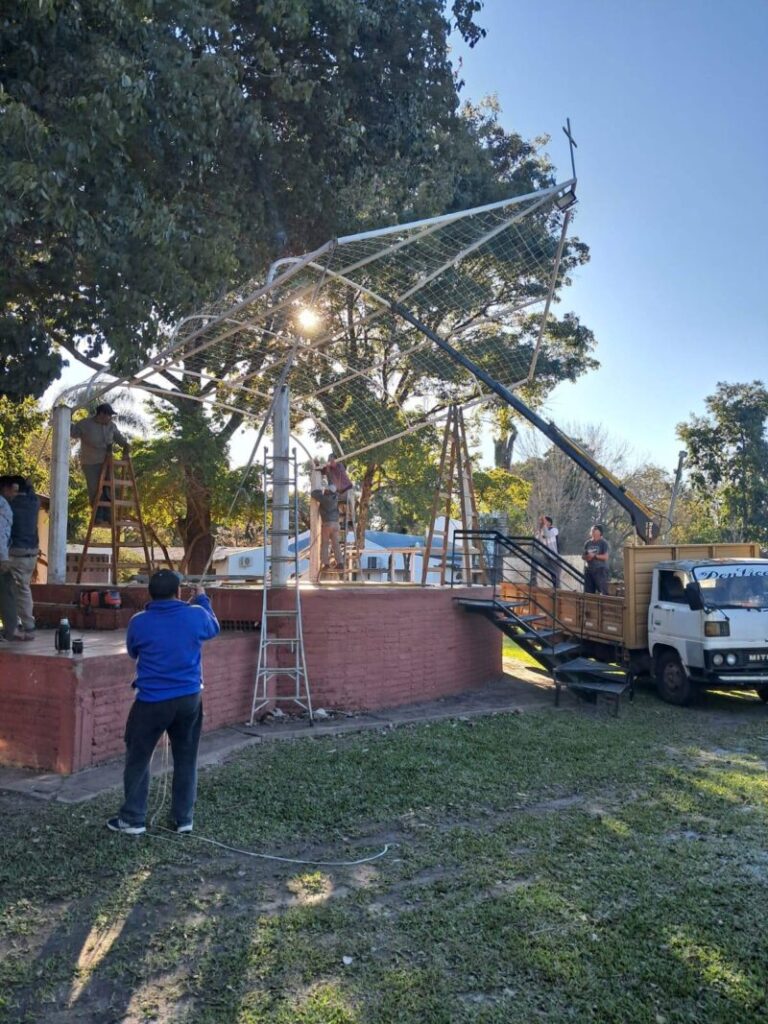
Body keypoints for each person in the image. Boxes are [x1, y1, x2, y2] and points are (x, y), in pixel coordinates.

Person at [107, 570, 220, 836]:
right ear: (178, 592)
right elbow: (213, 627)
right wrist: (202, 599)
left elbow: (134, 651)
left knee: (138, 757)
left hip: (151, 701)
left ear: (150, 593)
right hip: (189, 699)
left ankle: (133, 819)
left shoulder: (139, 622)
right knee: (186, 757)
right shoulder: (195, 615)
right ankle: (184, 819)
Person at [70, 403, 130, 523]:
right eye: (109, 415)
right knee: (95, 489)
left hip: (107, 462)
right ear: (101, 414)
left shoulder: (111, 426)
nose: (110, 418)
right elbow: (73, 432)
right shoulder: (85, 424)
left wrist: (126, 446)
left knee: (108, 488)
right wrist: (66, 418)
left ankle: (108, 515)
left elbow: (119, 438)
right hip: (90, 462)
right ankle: (98, 515)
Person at [8, 476, 40, 640]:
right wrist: (28, 484)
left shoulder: (10, 504)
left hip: (17, 553)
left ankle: (27, 625)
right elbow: (32, 493)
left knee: (19, 591)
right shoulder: (34, 503)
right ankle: (22, 623)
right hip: (32, 553)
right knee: (21, 589)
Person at [0, 476, 20, 641]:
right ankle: (11, 630)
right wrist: (3, 558)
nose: (15, 495)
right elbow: (2, 532)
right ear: (5, 489)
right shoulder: (3, 506)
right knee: (8, 591)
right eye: (13, 491)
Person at [311, 482, 344, 571]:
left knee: (325, 544)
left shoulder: (325, 498)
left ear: (329, 491)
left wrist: (321, 490)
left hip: (327, 524)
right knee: (336, 544)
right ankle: (340, 562)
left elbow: (313, 494)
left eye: (326, 490)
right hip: (336, 524)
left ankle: (325, 564)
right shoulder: (335, 497)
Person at [318, 453, 355, 529]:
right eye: (329, 459)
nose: (329, 460)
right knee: (338, 506)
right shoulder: (328, 468)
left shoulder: (339, 465)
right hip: (339, 492)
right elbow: (321, 470)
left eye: (331, 458)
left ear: (335, 459)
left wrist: (329, 465)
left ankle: (351, 522)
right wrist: (318, 464)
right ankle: (341, 522)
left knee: (350, 506)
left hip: (347, 489)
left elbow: (334, 465)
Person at [582, 524, 610, 595]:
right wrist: (587, 557)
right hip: (589, 570)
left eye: (595, 529)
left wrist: (594, 556)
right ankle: (589, 606)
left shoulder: (604, 543)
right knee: (588, 592)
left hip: (600, 570)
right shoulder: (588, 543)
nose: (593, 530)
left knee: (602, 591)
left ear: (600, 532)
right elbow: (583, 556)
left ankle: (604, 605)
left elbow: (605, 557)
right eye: (592, 529)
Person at [536, 514, 561, 588]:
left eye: (544, 521)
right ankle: (533, 581)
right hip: (544, 556)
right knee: (534, 562)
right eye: (541, 521)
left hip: (554, 557)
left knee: (555, 577)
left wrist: (543, 525)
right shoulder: (541, 531)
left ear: (549, 523)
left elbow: (548, 535)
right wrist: (540, 530)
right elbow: (538, 541)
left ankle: (557, 591)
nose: (541, 523)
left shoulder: (554, 530)